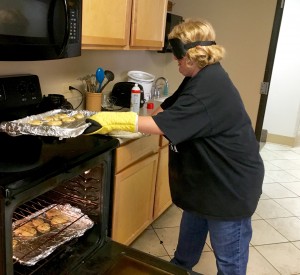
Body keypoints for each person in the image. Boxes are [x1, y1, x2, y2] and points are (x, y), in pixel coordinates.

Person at [85, 19, 264, 275]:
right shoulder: (199, 77)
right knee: (185, 253)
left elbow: (160, 125)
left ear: (191, 56)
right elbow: (167, 107)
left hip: (228, 187)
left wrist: (113, 119)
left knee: (229, 264)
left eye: (178, 56)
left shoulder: (209, 87)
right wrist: (133, 121)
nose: (175, 61)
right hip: (204, 182)